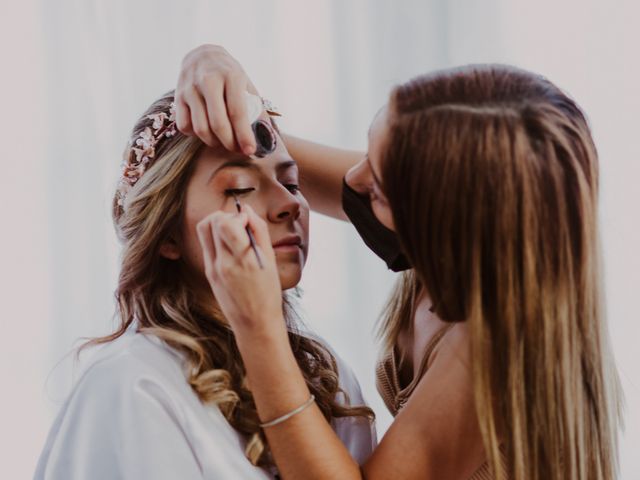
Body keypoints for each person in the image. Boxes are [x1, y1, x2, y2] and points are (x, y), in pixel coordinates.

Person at [175, 45, 622, 480]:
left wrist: (259, 327)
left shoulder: (496, 346)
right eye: (367, 152)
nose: (351, 180)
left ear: (446, 221)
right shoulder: (446, 227)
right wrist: (211, 60)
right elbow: (265, 150)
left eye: (379, 191)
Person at [34, 90, 376, 480]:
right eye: (238, 189)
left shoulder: (327, 377)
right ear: (168, 237)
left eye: (293, 183)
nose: (290, 204)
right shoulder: (133, 385)